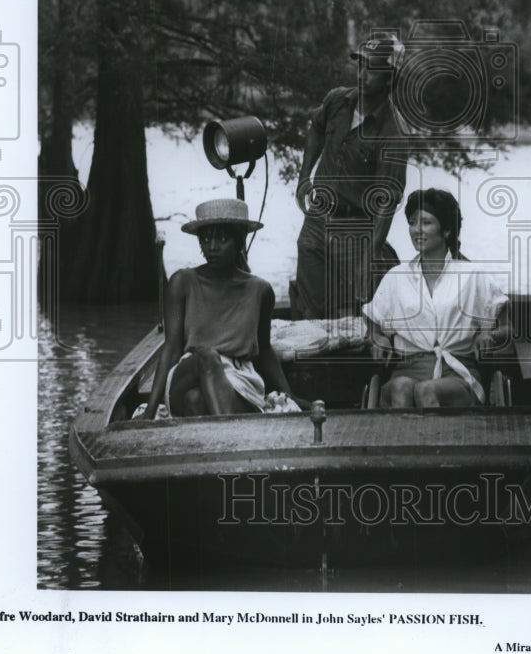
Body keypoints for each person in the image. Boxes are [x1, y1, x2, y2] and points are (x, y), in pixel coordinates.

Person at [142, 198, 306, 418]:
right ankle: (229, 431)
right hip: (189, 371)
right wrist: (149, 413)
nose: (212, 247)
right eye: (206, 238)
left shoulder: (260, 291)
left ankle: (221, 429)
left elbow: (264, 350)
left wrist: (289, 395)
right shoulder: (182, 282)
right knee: (206, 356)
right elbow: (171, 349)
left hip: (239, 379)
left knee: (196, 401)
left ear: (239, 242)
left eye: (222, 238)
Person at [294, 32, 408, 320]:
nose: (363, 74)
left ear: (389, 78)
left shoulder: (393, 133)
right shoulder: (336, 100)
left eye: (373, 68)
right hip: (318, 217)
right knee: (311, 306)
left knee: (352, 312)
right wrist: (304, 176)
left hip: (355, 227)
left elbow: (386, 202)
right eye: (361, 65)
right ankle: (312, 359)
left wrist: (369, 255)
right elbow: (317, 128)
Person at [362, 188, 510, 409]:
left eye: (426, 223)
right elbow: (373, 329)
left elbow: (507, 328)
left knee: (427, 390)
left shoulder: (472, 275)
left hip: (458, 373)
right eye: (412, 223)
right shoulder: (396, 277)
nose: (416, 230)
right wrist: (379, 339)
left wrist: (488, 334)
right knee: (402, 387)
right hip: (407, 369)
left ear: (447, 230)